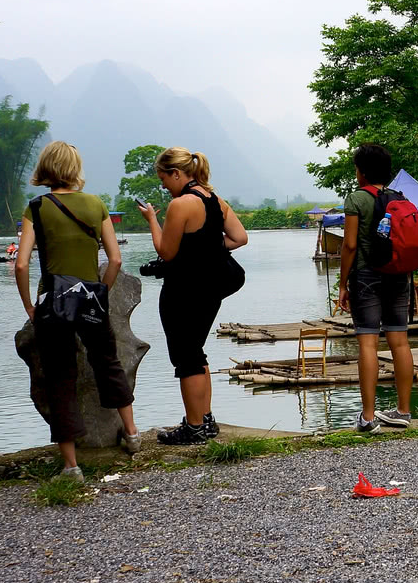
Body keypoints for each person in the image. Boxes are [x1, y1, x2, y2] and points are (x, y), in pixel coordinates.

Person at [15, 141, 138, 478]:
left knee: (59, 377)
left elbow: (22, 265)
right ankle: (131, 433)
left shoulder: (37, 208)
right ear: (75, 169)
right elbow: (114, 259)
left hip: (53, 303)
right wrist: (101, 292)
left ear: (46, 169)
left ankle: (71, 466)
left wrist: (29, 305)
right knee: (108, 363)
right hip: (90, 299)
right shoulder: (95, 204)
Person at [138, 147, 247, 445]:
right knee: (196, 352)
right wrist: (207, 248)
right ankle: (206, 419)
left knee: (185, 358)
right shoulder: (215, 200)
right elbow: (239, 238)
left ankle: (194, 426)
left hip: (184, 290)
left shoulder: (181, 204)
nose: (162, 185)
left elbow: (167, 252)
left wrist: (151, 220)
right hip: (211, 288)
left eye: (163, 178)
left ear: (176, 174)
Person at [336, 142, 415, 433]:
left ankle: (368, 417)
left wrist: (343, 284)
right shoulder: (400, 197)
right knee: (400, 342)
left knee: (368, 343)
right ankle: (403, 411)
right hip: (397, 275)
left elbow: (351, 244)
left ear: (362, 173)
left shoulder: (356, 199)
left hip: (366, 276)